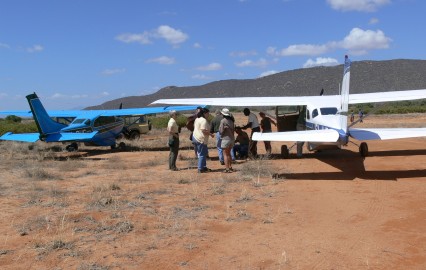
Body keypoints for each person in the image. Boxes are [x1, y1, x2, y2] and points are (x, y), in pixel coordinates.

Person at [192, 108, 211, 173]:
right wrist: (210, 134)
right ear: (204, 113)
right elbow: (203, 130)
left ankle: (204, 166)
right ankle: (200, 168)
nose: (209, 114)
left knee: (203, 153)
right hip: (201, 139)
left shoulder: (197, 119)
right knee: (202, 154)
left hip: (195, 137)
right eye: (208, 113)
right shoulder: (203, 120)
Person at [219, 108, 235, 173]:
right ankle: (230, 167)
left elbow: (220, 131)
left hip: (225, 139)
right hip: (231, 139)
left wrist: (224, 128)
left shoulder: (223, 121)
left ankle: (227, 168)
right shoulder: (231, 121)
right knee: (229, 154)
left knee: (225, 154)